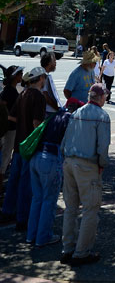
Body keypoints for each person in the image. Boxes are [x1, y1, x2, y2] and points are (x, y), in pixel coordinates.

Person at [61, 82, 111, 266]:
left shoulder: (76, 113)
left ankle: (67, 248)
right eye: (105, 95)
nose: (106, 98)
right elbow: (103, 147)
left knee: (71, 207)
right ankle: (81, 252)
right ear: (100, 97)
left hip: (69, 161)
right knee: (90, 209)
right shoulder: (102, 116)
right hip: (87, 165)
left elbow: (66, 139)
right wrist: (102, 165)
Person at [26, 97, 83, 247]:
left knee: (37, 198)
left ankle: (31, 235)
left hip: (36, 156)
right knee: (49, 200)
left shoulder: (55, 115)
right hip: (50, 159)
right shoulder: (70, 119)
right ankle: (43, 237)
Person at [0, 66, 47, 230]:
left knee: (13, 180)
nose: (45, 80)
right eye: (44, 78)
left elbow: (11, 116)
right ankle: (21, 218)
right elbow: (37, 124)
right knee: (26, 184)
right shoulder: (39, 97)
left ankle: (7, 211)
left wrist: (21, 124)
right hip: (30, 146)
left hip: (19, 144)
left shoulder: (23, 94)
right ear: (40, 79)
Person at [0, 65, 23, 179]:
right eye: (20, 74)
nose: (22, 76)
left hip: (10, 128)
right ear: (15, 77)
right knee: (6, 156)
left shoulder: (10, 90)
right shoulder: (10, 91)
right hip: (9, 129)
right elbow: (5, 112)